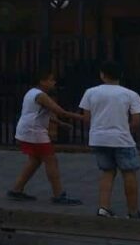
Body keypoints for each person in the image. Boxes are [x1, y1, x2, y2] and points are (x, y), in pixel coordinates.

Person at [79, 60, 140, 220]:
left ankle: (104, 208)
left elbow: (86, 117)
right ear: (120, 75)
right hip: (122, 138)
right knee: (129, 173)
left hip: (98, 138)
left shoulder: (90, 92)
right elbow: (136, 121)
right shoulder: (130, 94)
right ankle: (133, 212)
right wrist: (124, 128)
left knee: (107, 172)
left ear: (102, 75)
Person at [7, 69, 87, 205]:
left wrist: (60, 123)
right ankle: (58, 194)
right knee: (51, 160)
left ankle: (16, 189)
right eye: (50, 80)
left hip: (28, 130)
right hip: (34, 132)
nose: (54, 82)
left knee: (35, 160)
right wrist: (82, 117)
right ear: (42, 81)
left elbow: (42, 113)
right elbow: (59, 111)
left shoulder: (31, 93)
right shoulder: (41, 95)